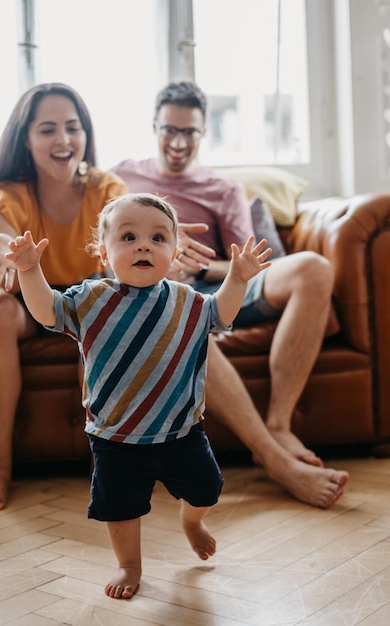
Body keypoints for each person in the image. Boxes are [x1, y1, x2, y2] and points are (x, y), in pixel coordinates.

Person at [5, 192, 272, 599]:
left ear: (175, 250)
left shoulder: (189, 301)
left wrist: (237, 279)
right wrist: (29, 271)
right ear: (103, 252)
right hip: (115, 437)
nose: (144, 245)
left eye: (158, 238)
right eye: (128, 237)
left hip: (182, 431)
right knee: (121, 508)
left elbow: (223, 313)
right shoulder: (90, 299)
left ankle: (191, 521)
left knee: (207, 490)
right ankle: (129, 564)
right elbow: (47, 312)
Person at [110, 81, 349, 509]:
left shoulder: (223, 189)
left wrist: (199, 264)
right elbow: (105, 248)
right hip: (164, 292)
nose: (179, 142)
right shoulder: (122, 177)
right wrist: (162, 261)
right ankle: (276, 461)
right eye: (170, 130)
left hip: (221, 285)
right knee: (180, 310)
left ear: (203, 134)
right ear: (154, 127)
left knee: (314, 267)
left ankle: (278, 423)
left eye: (190, 132)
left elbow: (249, 260)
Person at [0, 82, 130, 511]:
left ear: (85, 134)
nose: (63, 140)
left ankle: (109, 466)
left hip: (84, 297)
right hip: (25, 292)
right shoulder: (1, 194)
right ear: (25, 139)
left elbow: (131, 243)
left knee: (124, 302)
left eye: (72, 127)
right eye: (47, 130)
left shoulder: (108, 189)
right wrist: (4, 253)